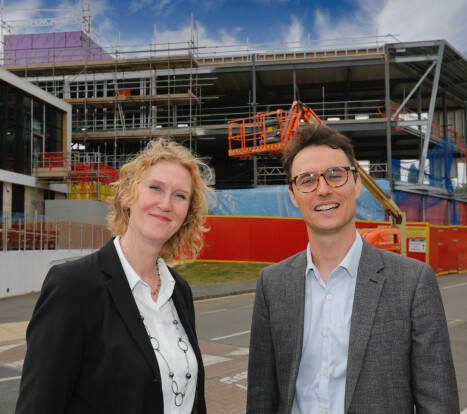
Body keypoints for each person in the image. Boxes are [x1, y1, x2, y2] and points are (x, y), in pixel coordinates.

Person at [247, 124, 459, 414]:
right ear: (294, 195)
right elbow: (261, 398)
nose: (323, 190)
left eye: (335, 175)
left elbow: (438, 404)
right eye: (307, 180)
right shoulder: (272, 284)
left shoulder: (413, 282)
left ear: (357, 184)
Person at [16, 138, 211, 414]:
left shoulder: (179, 291)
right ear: (128, 195)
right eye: (155, 188)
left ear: (187, 213)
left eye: (180, 196)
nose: (166, 204)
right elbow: (39, 405)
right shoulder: (74, 286)